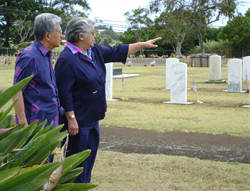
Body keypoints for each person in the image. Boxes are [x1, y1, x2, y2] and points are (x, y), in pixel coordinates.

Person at [55, 17, 162, 183]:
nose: (95, 35)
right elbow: (64, 93)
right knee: (75, 165)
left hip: (92, 118)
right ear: (81, 36)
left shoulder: (94, 51)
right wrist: (71, 118)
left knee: (87, 163)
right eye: (92, 32)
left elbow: (117, 51)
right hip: (77, 122)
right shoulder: (67, 59)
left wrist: (142, 44)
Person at [13, 13, 64, 129]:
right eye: (59, 32)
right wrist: (23, 124)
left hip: (49, 121)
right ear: (48, 36)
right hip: (35, 125)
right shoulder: (30, 56)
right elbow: (16, 91)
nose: (62, 35)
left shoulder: (46, 55)